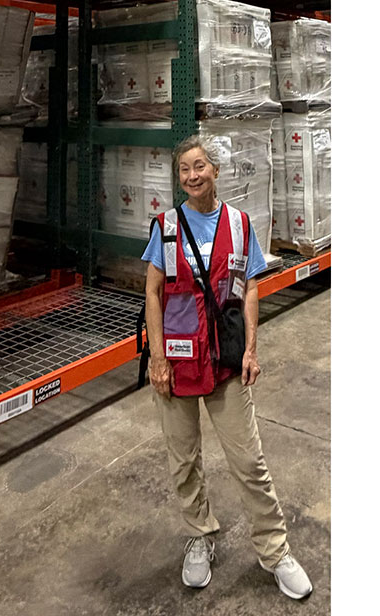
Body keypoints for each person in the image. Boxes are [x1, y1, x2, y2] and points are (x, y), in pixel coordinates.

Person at [141, 133, 312, 599]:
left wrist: (252, 349)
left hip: (225, 360)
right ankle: (200, 534)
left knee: (249, 461)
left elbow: (250, 287)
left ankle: (275, 551)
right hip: (176, 362)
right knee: (184, 462)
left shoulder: (238, 224)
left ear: (215, 170)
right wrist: (157, 358)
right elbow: (153, 293)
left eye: (199, 167)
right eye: (184, 170)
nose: (192, 176)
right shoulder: (167, 226)